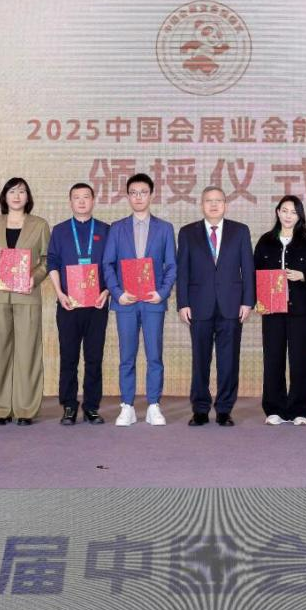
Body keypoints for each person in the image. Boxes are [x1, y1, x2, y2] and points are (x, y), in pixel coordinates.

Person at [100, 173, 177, 427]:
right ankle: (127, 406)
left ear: (151, 195)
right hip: (126, 301)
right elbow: (108, 264)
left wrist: (162, 293)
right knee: (127, 356)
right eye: (133, 193)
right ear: (128, 196)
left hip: (153, 301)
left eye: (143, 192)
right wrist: (117, 292)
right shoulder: (117, 227)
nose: (138, 197)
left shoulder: (165, 228)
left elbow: (171, 266)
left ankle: (154, 405)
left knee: (154, 355)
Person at [177, 186, 255, 426]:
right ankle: (200, 409)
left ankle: (224, 409)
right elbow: (182, 271)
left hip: (231, 305)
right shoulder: (188, 232)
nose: (213, 205)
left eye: (218, 200)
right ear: (201, 204)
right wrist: (183, 303)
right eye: (209, 201)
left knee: (228, 360)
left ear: (225, 204)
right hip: (198, 305)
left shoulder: (240, 231)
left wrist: (248, 301)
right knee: (200, 359)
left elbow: (248, 268)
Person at [0, 177, 50, 426]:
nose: (17, 196)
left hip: (27, 294)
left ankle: (26, 409)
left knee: (28, 351)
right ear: (4, 196)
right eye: (12, 192)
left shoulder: (39, 225)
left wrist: (34, 278)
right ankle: (0, 409)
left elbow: (48, 259)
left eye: (22, 192)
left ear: (28, 197)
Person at [253, 195, 306, 425]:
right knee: (273, 358)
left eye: (293, 212)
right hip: (272, 310)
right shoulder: (266, 241)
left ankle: (300, 409)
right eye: (284, 210)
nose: (288, 216)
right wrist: (258, 300)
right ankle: (275, 409)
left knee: (300, 358)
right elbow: (255, 273)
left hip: (299, 310)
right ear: (277, 212)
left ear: (299, 216)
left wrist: (303, 275)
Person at [47, 182, 110, 425]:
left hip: (97, 305)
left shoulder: (105, 229)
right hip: (68, 305)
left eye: (86, 197)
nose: (82, 201)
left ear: (93, 200)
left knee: (94, 358)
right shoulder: (60, 230)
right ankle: (69, 406)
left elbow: (112, 265)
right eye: (77, 197)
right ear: (70, 201)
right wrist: (59, 293)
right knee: (69, 357)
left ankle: (92, 407)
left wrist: (107, 291)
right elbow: (52, 262)